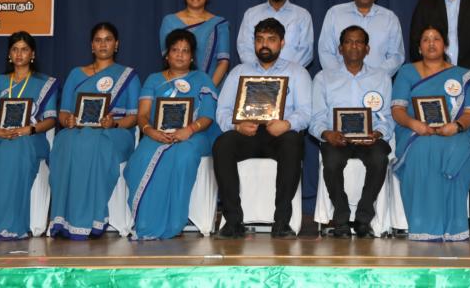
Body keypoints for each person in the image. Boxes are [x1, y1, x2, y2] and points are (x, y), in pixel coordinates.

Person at [214, 18, 312, 238]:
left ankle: (282, 222)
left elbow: (306, 112)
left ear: (282, 43)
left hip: (279, 135)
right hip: (247, 134)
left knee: (293, 141)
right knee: (222, 143)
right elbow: (222, 110)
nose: (264, 44)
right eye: (259, 39)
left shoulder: (297, 72)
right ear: (254, 43)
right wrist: (237, 126)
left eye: (271, 39)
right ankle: (233, 222)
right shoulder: (239, 72)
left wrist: (287, 124)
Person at [124, 29, 218, 240]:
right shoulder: (154, 79)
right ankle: (146, 221)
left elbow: (208, 116)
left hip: (194, 136)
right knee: (141, 158)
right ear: (167, 55)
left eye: (185, 51)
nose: (180, 55)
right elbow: (143, 115)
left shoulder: (202, 79)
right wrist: (150, 131)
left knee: (183, 155)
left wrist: (189, 130)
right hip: (156, 134)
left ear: (192, 56)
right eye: (175, 50)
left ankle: (174, 221)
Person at [49, 22, 140, 239]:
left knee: (91, 141)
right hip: (78, 130)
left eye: (108, 39)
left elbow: (134, 117)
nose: (103, 44)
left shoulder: (128, 76)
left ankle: (90, 218)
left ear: (116, 44)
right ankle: (63, 218)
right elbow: (63, 113)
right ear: (91, 45)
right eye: (98, 40)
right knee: (64, 140)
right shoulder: (76, 74)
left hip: (116, 132)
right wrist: (68, 120)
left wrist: (114, 123)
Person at [0, 31, 59, 239]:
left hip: (31, 137)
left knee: (16, 150)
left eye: (24, 50)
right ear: (9, 54)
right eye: (15, 49)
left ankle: (10, 223)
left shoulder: (45, 83)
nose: (19, 54)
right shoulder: (0, 81)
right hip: (1, 134)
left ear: (32, 54)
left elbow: (51, 119)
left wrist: (29, 129)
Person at [391, 25, 470, 241]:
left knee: (455, 151)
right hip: (415, 132)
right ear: (419, 48)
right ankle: (423, 225)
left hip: (455, 132)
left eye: (436, 38)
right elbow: (398, 109)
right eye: (426, 39)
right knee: (422, 149)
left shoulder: (462, 75)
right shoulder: (407, 72)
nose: (431, 43)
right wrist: (414, 124)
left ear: (445, 45)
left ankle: (453, 226)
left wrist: (456, 126)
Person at [311, 26, 393, 238]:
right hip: (336, 139)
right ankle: (341, 218)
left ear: (367, 49)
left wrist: (377, 133)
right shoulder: (323, 78)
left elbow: (387, 116)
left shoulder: (381, 77)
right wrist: (327, 134)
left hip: (370, 139)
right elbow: (316, 117)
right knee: (331, 162)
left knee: (379, 158)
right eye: (348, 42)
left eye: (359, 42)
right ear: (340, 48)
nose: (353, 46)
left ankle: (363, 218)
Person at [318, 0, 404, 76]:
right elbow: (325, 52)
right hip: (340, 81)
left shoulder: (389, 18)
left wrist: (375, 76)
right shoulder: (335, 14)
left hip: (377, 82)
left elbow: (396, 56)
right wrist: (341, 76)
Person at [158, 0, 230, 86]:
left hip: (213, 86)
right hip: (177, 86)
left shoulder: (219, 24)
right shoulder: (169, 21)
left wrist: (208, 89)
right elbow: (168, 58)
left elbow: (223, 62)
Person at [236, 0, 314, 67]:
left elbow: (306, 51)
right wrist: (261, 71)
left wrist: (285, 71)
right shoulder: (251, 14)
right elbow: (245, 48)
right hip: (256, 74)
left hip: (292, 74)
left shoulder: (302, 15)